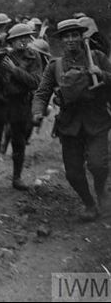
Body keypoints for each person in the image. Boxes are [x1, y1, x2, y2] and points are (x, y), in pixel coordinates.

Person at [32, 19, 111, 221]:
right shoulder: (55, 66)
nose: (70, 40)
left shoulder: (97, 58)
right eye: (66, 36)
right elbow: (42, 92)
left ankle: (101, 190)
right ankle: (89, 204)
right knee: (73, 173)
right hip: (69, 124)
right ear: (60, 40)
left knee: (98, 164)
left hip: (96, 120)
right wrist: (38, 112)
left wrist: (102, 74)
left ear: (81, 37)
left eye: (74, 35)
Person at [0, 23, 42, 191]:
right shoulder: (0, 56)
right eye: (18, 39)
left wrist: (14, 70)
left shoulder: (34, 57)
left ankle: (17, 178)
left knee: (19, 141)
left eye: (25, 38)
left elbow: (36, 82)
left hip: (19, 104)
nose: (22, 42)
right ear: (11, 41)